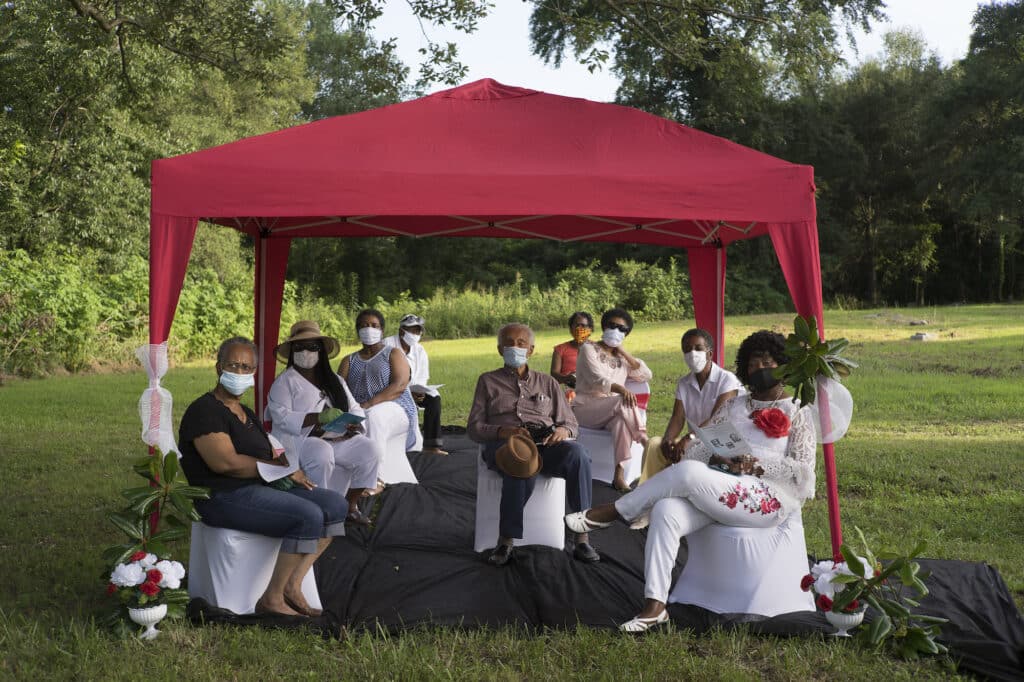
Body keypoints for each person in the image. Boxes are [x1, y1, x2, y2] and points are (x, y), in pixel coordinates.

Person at [564, 330, 816, 632]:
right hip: (723, 486)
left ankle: (614, 511)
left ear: (783, 364)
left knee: (687, 474)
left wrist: (756, 466)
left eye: (767, 362)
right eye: (752, 365)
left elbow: (802, 471)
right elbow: (697, 448)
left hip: (768, 499)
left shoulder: (798, 410)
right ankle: (655, 606)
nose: (759, 369)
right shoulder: (735, 406)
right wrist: (719, 458)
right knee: (666, 510)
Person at [178, 336, 347, 617]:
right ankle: (272, 599)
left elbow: (271, 449)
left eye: (247, 368)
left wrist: (286, 466)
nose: (241, 373)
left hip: (260, 487)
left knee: (335, 505)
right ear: (219, 368)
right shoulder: (204, 411)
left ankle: (294, 584)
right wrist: (280, 469)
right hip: (222, 496)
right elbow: (225, 464)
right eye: (234, 365)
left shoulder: (245, 412)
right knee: (308, 515)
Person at [467, 322, 599, 566]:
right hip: (506, 445)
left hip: (545, 444)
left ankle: (582, 537)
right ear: (499, 349)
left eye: (521, 344)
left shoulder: (547, 382)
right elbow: (474, 428)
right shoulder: (487, 381)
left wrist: (562, 430)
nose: (514, 348)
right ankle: (506, 540)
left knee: (578, 454)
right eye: (508, 343)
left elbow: (570, 423)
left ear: (531, 350)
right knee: (521, 463)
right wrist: (503, 431)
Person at [266, 320, 380, 527]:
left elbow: (354, 407)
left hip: (337, 437)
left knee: (370, 449)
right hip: (300, 441)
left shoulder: (334, 380)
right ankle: (323, 509)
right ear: (292, 351)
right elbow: (281, 417)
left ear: (321, 350)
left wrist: (353, 424)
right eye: (299, 347)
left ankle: (349, 505)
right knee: (321, 452)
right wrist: (317, 418)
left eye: (312, 347)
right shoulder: (284, 382)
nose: (306, 351)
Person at [641, 328, 742, 483]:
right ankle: (647, 490)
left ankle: (666, 488)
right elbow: (678, 417)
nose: (692, 353)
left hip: (721, 441)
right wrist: (668, 439)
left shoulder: (727, 380)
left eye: (698, 348)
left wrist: (688, 438)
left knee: (689, 451)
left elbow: (716, 419)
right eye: (687, 350)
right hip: (694, 440)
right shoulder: (684, 383)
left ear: (710, 353)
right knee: (655, 445)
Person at [571, 307, 653, 492]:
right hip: (585, 407)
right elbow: (596, 378)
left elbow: (646, 375)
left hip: (613, 411)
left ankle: (619, 475)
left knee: (621, 423)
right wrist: (620, 389)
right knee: (621, 402)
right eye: (612, 325)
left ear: (626, 334)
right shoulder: (588, 348)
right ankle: (644, 440)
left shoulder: (622, 360)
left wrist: (622, 351)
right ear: (604, 326)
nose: (616, 330)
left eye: (622, 329)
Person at [339, 309, 419, 460]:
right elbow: (338, 391)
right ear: (358, 331)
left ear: (382, 330)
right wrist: (349, 413)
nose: (369, 329)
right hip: (358, 410)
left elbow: (399, 386)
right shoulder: (348, 361)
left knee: (373, 416)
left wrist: (367, 405)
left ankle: (376, 474)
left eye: (374, 325)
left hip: (395, 405)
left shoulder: (393, 353)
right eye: (364, 325)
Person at [383, 313, 447, 455]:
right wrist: (406, 393)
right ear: (401, 331)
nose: (415, 334)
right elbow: (382, 376)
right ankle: (402, 444)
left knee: (434, 398)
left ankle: (432, 445)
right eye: (411, 330)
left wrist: (419, 391)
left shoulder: (420, 350)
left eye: (418, 331)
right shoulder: (387, 345)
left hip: (413, 391)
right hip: (389, 391)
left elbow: (422, 377)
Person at [550, 311, 594, 389]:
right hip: (568, 390)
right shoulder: (560, 349)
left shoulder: (597, 348)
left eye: (583, 326)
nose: (579, 329)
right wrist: (567, 378)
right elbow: (554, 374)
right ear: (571, 329)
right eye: (577, 325)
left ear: (590, 329)